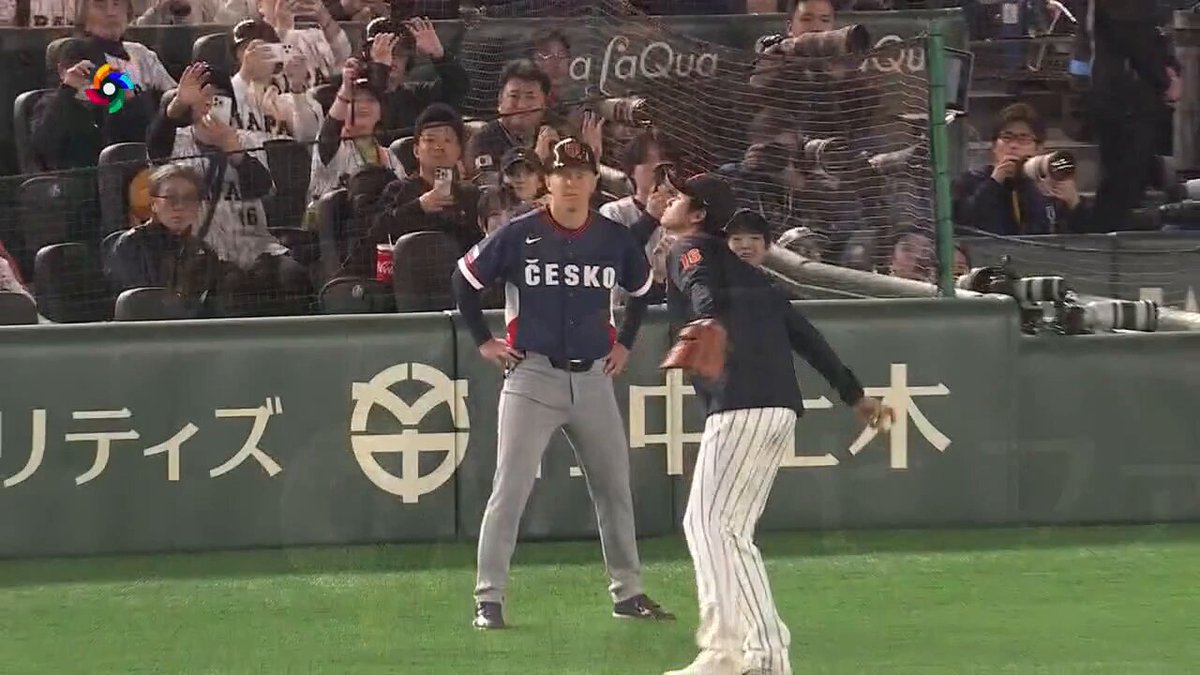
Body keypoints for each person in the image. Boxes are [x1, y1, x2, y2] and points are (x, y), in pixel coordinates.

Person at [658, 171, 889, 675]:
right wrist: (853, 393)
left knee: (712, 525)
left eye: (677, 195)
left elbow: (698, 285)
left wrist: (707, 320)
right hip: (775, 408)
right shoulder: (750, 273)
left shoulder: (688, 247)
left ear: (697, 215)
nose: (667, 199)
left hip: (740, 405)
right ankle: (750, 652)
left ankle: (740, 653)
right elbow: (805, 335)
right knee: (726, 529)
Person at [451, 137, 674, 631]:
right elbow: (464, 280)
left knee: (614, 489)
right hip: (532, 375)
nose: (571, 183)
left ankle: (628, 593)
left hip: (593, 378)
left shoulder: (613, 238)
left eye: (580, 174)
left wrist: (626, 343)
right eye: (562, 174)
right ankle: (488, 598)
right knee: (510, 489)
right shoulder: (519, 233)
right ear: (546, 182)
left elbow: (641, 291)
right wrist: (484, 341)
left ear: (594, 182)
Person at [148, 63, 310, 316]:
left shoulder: (248, 141)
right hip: (200, 252)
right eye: (205, 98)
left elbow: (263, 189)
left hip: (255, 246)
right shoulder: (176, 140)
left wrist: (235, 152)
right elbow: (156, 148)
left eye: (219, 99)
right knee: (231, 289)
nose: (211, 105)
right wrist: (176, 106)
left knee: (294, 277)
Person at [1084, 0, 1181, 231]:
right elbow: (1136, 38)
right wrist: (1166, 80)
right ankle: (1106, 236)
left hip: (1119, 94)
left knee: (1128, 175)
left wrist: (1169, 65)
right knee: (1123, 179)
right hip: (1126, 99)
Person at [952, 103, 1090, 236]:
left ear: (1039, 148)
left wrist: (1074, 203)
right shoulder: (973, 181)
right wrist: (994, 183)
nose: (1013, 145)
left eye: (1023, 139)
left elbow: (1084, 236)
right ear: (994, 146)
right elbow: (963, 223)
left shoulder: (1050, 183)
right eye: (1007, 137)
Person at [109, 163, 225, 316]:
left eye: (188, 198)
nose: (179, 206)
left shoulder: (205, 253)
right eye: (170, 197)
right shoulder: (130, 245)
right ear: (154, 204)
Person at [348, 17, 470, 145]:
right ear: (367, 56)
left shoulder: (417, 96)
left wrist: (440, 55)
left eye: (400, 51)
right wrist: (380, 69)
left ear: (408, 60)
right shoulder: (352, 96)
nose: (392, 57)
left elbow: (458, 87)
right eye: (384, 49)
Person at [309, 58, 405, 207]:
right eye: (355, 99)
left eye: (370, 100)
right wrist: (346, 90)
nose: (363, 105)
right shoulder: (333, 147)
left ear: (381, 112)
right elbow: (331, 129)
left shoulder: (390, 156)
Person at [227, 19, 321, 143]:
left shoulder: (288, 98)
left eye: (266, 49)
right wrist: (245, 74)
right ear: (236, 56)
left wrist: (297, 89)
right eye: (248, 49)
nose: (257, 55)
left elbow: (309, 138)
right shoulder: (223, 92)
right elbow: (219, 119)